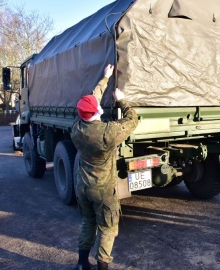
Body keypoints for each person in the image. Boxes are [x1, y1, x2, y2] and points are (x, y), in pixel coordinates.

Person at [71, 64, 139, 270]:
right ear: (98, 110)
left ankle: (82, 264)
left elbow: (91, 100)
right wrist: (121, 99)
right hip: (103, 190)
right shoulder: (107, 132)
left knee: (88, 223)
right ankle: (103, 266)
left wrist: (105, 78)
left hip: (83, 186)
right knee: (108, 228)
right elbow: (132, 120)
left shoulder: (77, 128)